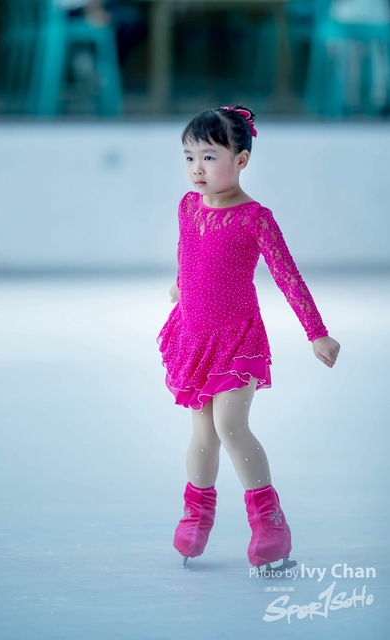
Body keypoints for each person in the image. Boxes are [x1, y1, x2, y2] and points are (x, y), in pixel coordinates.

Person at [156, 105, 341, 575]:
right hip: (193, 335)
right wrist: (182, 284)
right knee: (203, 432)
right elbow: (187, 251)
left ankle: (269, 525)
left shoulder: (255, 218)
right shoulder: (187, 206)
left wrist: (317, 333)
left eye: (209, 156)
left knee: (230, 425)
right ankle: (196, 515)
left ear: (240, 160)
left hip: (238, 339)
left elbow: (288, 277)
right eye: (189, 157)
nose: (197, 168)